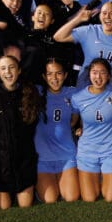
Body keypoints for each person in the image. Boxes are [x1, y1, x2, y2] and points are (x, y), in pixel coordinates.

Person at [0, 56, 41, 210]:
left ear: (19, 70)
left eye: (11, 67)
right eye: (3, 68)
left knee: (25, 206)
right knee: (4, 208)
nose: (8, 72)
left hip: (24, 163)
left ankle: (32, 190)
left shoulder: (29, 93)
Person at [71, 58, 112, 202]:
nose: (98, 77)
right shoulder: (77, 97)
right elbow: (73, 121)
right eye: (94, 72)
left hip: (111, 150)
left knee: (110, 197)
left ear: (109, 76)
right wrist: (78, 128)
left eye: (102, 73)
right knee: (89, 198)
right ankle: (99, 180)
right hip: (87, 152)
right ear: (89, 75)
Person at [35, 59, 81, 203]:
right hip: (43, 158)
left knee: (71, 198)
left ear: (65, 75)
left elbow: (74, 119)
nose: (54, 78)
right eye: (49, 74)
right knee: (50, 200)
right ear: (44, 76)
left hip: (66, 155)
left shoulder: (72, 93)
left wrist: (80, 128)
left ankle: (60, 184)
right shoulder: (36, 92)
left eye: (58, 73)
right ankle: (40, 189)